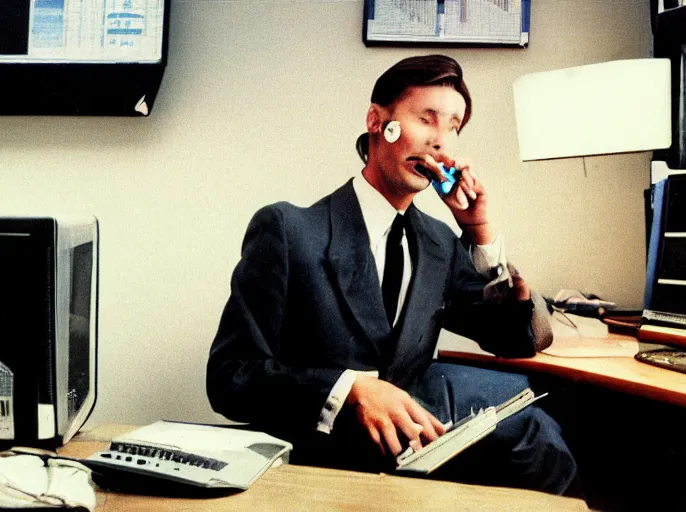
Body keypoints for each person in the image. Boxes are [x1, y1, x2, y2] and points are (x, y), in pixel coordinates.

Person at [207, 55, 580, 496]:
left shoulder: (439, 241)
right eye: (427, 119)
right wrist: (350, 390)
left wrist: (479, 230)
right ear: (376, 120)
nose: (441, 141)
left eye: (454, 127)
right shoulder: (289, 230)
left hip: (417, 451)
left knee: (542, 438)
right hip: (323, 459)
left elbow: (515, 339)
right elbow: (229, 377)